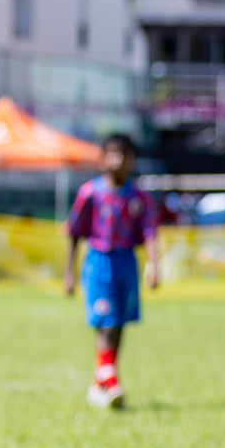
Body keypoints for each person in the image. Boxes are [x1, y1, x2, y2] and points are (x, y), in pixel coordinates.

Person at [64, 134, 158, 409]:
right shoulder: (90, 193)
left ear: (133, 160)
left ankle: (99, 383)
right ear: (102, 158)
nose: (118, 160)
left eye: (124, 154)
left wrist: (154, 265)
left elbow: (150, 232)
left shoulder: (139, 198)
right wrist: (68, 272)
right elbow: (74, 232)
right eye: (112, 153)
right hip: (99, 262)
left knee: (119, 324)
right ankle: (111, 379)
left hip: (126, 263)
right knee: (105, 321)